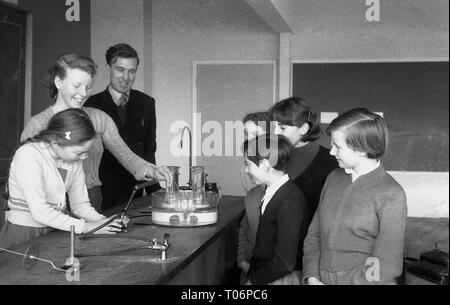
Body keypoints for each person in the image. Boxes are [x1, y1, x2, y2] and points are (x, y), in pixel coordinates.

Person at [20, 54, 169, 211]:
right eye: (76, 86)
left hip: (91, 199)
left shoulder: (98, 118)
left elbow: (127, 157)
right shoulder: (37, 125)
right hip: (50, 203)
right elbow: (26, 178)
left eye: (88, 87)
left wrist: (153, 171)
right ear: (58, 82)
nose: (84, 93)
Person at [302, 108, 407, 285]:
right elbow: (314, 235)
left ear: (360, 148)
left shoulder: (391, 193)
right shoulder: (333, 178)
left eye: (338, 146)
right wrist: (312, 276)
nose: (331, 152)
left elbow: (388, 263)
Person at [0, 109, 126, 250]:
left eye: (86, 152)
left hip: (54, 229)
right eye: (80, 152)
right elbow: (40, 212)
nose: (84, 157)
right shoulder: (29, 155)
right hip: (23, 234)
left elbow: (80, 205)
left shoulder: (73, 160)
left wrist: (104, 222)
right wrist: (87, 227)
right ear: (55, 143)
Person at [85, 44, 160, 210]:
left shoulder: (146, 103)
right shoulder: (90, 105)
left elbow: (149, 150)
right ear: (108, 68)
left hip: (134, 192)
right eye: (120, 69)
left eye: (132, 71)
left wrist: (155, 192)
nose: (126, 77)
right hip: (101, 193)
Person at [243, 134, 309, 285]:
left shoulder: (289, 200)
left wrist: (254, 281)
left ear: (266, 164)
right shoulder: (275, 193)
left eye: (249, 164)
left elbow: (285, 262)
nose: (247, 170)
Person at [269, 97, 338, 223]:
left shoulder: (331, 162)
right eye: (273, 127)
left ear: (304, 128)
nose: (275, 132)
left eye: (282, 128)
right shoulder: (273, 157)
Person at [237, 111, 269, 283]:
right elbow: (247, 224)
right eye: (246, 134)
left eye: (256, 134)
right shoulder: (247, 171)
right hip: (248, 265)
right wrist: (242, 261)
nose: (250, 139)